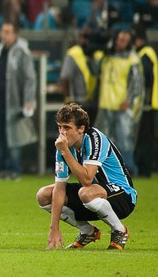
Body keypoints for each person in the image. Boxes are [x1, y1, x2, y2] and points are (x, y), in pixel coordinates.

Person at [36, 103, 135, 250]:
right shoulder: (63, 147)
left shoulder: (95, 139)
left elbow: (87, 179)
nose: (62, 133)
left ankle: (119, 230)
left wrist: (66, 152)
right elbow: (60, 188)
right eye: (60, 127)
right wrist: (54, 228)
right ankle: (87, 231)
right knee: (44, 195)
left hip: (122, 196)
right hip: (92, 198)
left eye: (67, 128)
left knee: (85, 192)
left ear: (81, 128)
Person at [0, 20, 36, 180]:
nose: (4, 35)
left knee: (13, 137)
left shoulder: (22, 52)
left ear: (15, 34)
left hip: (14, 102)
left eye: (7, 32)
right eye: (3, 31)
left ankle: (14, 169)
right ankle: (3, 169)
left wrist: (28, 100)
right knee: (0, 136)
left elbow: (30, 78)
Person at [97, 29, 144, 175]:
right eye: (118, 38)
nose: (119, 42)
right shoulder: (107, 57)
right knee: (105, 141)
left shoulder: (132, 60)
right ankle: (107, 171)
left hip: (122, 106)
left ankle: (129, 169)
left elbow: (136, 83)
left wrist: (129, 100)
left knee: (124, 139)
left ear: (129, 43)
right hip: (106, 104)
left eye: (124, 40)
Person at [133, 25, 157, 178]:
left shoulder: (144, 54)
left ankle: (145, 169)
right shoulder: (150, 52)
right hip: (152, 101)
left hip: (150, 103)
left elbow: (146, 79)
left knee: (146, 137)